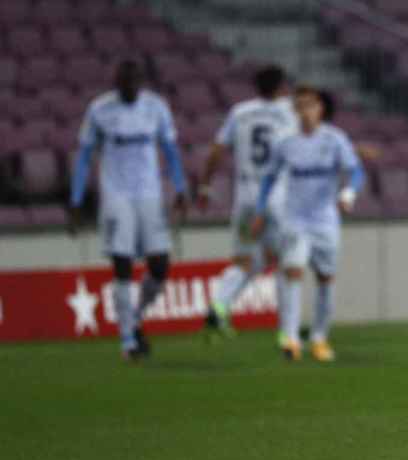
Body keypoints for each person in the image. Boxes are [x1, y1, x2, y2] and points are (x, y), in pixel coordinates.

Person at [69, 59, 188, 360]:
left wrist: (180, 187)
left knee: (160, 266)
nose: (130, 86)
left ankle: (135, 318)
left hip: (149, 194)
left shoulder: (156, 108)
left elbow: (171, 151)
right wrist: (76, 197)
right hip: (116, 196)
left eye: (135, 80)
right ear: (116, 82)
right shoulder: (100, 110)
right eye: (125, 81)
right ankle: (127, 341)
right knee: (122, 265)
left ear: (141, 81)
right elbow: (84, 156)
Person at [250, 86, 365, 362]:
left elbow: (356, 171)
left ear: (320, 108)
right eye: (300, 105)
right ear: (295, 110)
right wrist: (260, 210)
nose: (306, 111)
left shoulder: (335, 139)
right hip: (295, 218)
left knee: (325, 278)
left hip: (325, 219)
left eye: (310, 105)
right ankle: (290, 339)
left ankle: (319, 338)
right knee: (293, 272)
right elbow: (269, 177)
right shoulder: (285, 142)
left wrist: (348, 194)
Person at [198, 65, 297, 337]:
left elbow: (217, 150)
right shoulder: (291, 111)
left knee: (245, 261)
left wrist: (205, 184)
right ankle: (287, 331)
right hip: (277, 198)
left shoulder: (239, 112)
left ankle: (219, 306)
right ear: (281, 87)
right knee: (285, 262)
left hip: (244, 200)